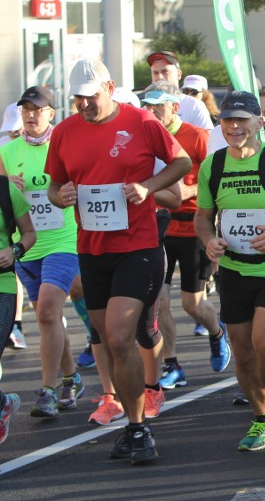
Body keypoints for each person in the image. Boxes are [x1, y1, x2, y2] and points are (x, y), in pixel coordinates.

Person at [45, 58, 191, 464]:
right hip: (92, 250)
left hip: (138, 245)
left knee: (119, 335)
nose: (85, 105)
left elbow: (181, 163)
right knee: (107, 339)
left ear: (109, 88)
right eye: (78, 99)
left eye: (91, 97)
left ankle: (141, 428)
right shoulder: (64, 133)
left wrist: (147, 187)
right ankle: (132, 423)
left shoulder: (141, 122)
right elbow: (55, 186)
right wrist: (64, 196)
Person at [194, 91, 265, 453]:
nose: (235, 127)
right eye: (228, 120)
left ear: (259, 123)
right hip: (233, 271)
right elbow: (202, 218)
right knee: (242, 351)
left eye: (242, 120)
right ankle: (261, 418)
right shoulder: (214, 166)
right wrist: (210, 241)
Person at [138, 82, 231, 394]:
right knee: (159, 299)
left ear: (174, 107)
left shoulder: (196, 136)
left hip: (192, 227)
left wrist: (188, 192)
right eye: (147, 106)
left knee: (192, 303)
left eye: (157, 106)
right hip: (159, 226)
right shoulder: (145, 135)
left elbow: (215, 178)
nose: (151, 112)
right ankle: (173, 364)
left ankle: (217, 332)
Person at [0, 87, 86, 419]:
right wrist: (11, 189)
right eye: (25, 110)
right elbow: (3, 200)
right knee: (46, 317)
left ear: (52, 113)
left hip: (64, 240)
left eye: (38, 109)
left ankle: (48, 390)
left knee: (49, 310)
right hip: (29, 243)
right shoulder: (8, 152)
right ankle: (72, 377)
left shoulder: (65, 146)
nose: (31, 115)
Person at [0, 166, 36, 444]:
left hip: (2, 286)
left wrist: (13, 252)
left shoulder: (6, 189)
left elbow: (28, 235)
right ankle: (3, 404)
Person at [147, 51, 214, 131]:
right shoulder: (145, 108)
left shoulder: (194, 105)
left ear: (179, 74)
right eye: (155, 73)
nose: (160, 77)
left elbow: (207, 140)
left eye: (165, 72)